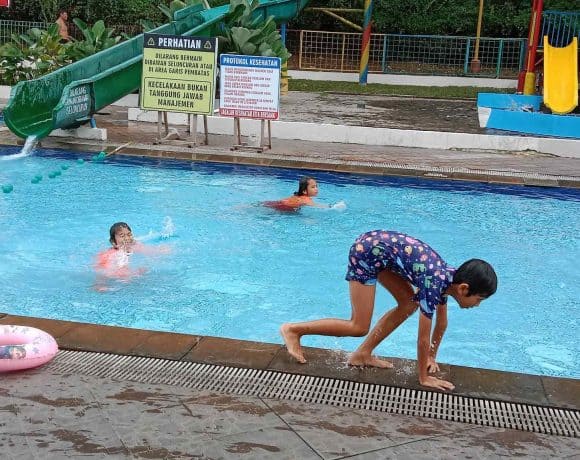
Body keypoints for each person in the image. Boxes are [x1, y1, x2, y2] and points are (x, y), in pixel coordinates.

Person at [280, 230, 497, 391]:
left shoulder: (448, 278)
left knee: (408, 303)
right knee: (358, 326)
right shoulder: (435, 284)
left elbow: (441, 323)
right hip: (367, 253)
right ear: (464, 289)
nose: (477, 305)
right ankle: (294, 330)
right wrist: (424, 377)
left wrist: (431, 357)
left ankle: (362, 354)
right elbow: (422, 338)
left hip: (381, 252)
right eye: (479, 300)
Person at [95, 222, 170, 281]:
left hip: (134, 279)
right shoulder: (108, 254)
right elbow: (101, 273)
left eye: (129, 234)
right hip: (117, 280)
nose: (127, 238)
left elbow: (152, 251)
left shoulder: (136, 247)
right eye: (122, 236)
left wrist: (161, 250)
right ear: (113, 242)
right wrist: (101, 284)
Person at [263, 176, 332, 212]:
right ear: (305, 191)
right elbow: (316, 206)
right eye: (313, 187)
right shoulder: (306, 199)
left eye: (316, 186)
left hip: (275, 203)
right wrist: (331, 207)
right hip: (280, 206)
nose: (316, 189)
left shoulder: (298, 196)